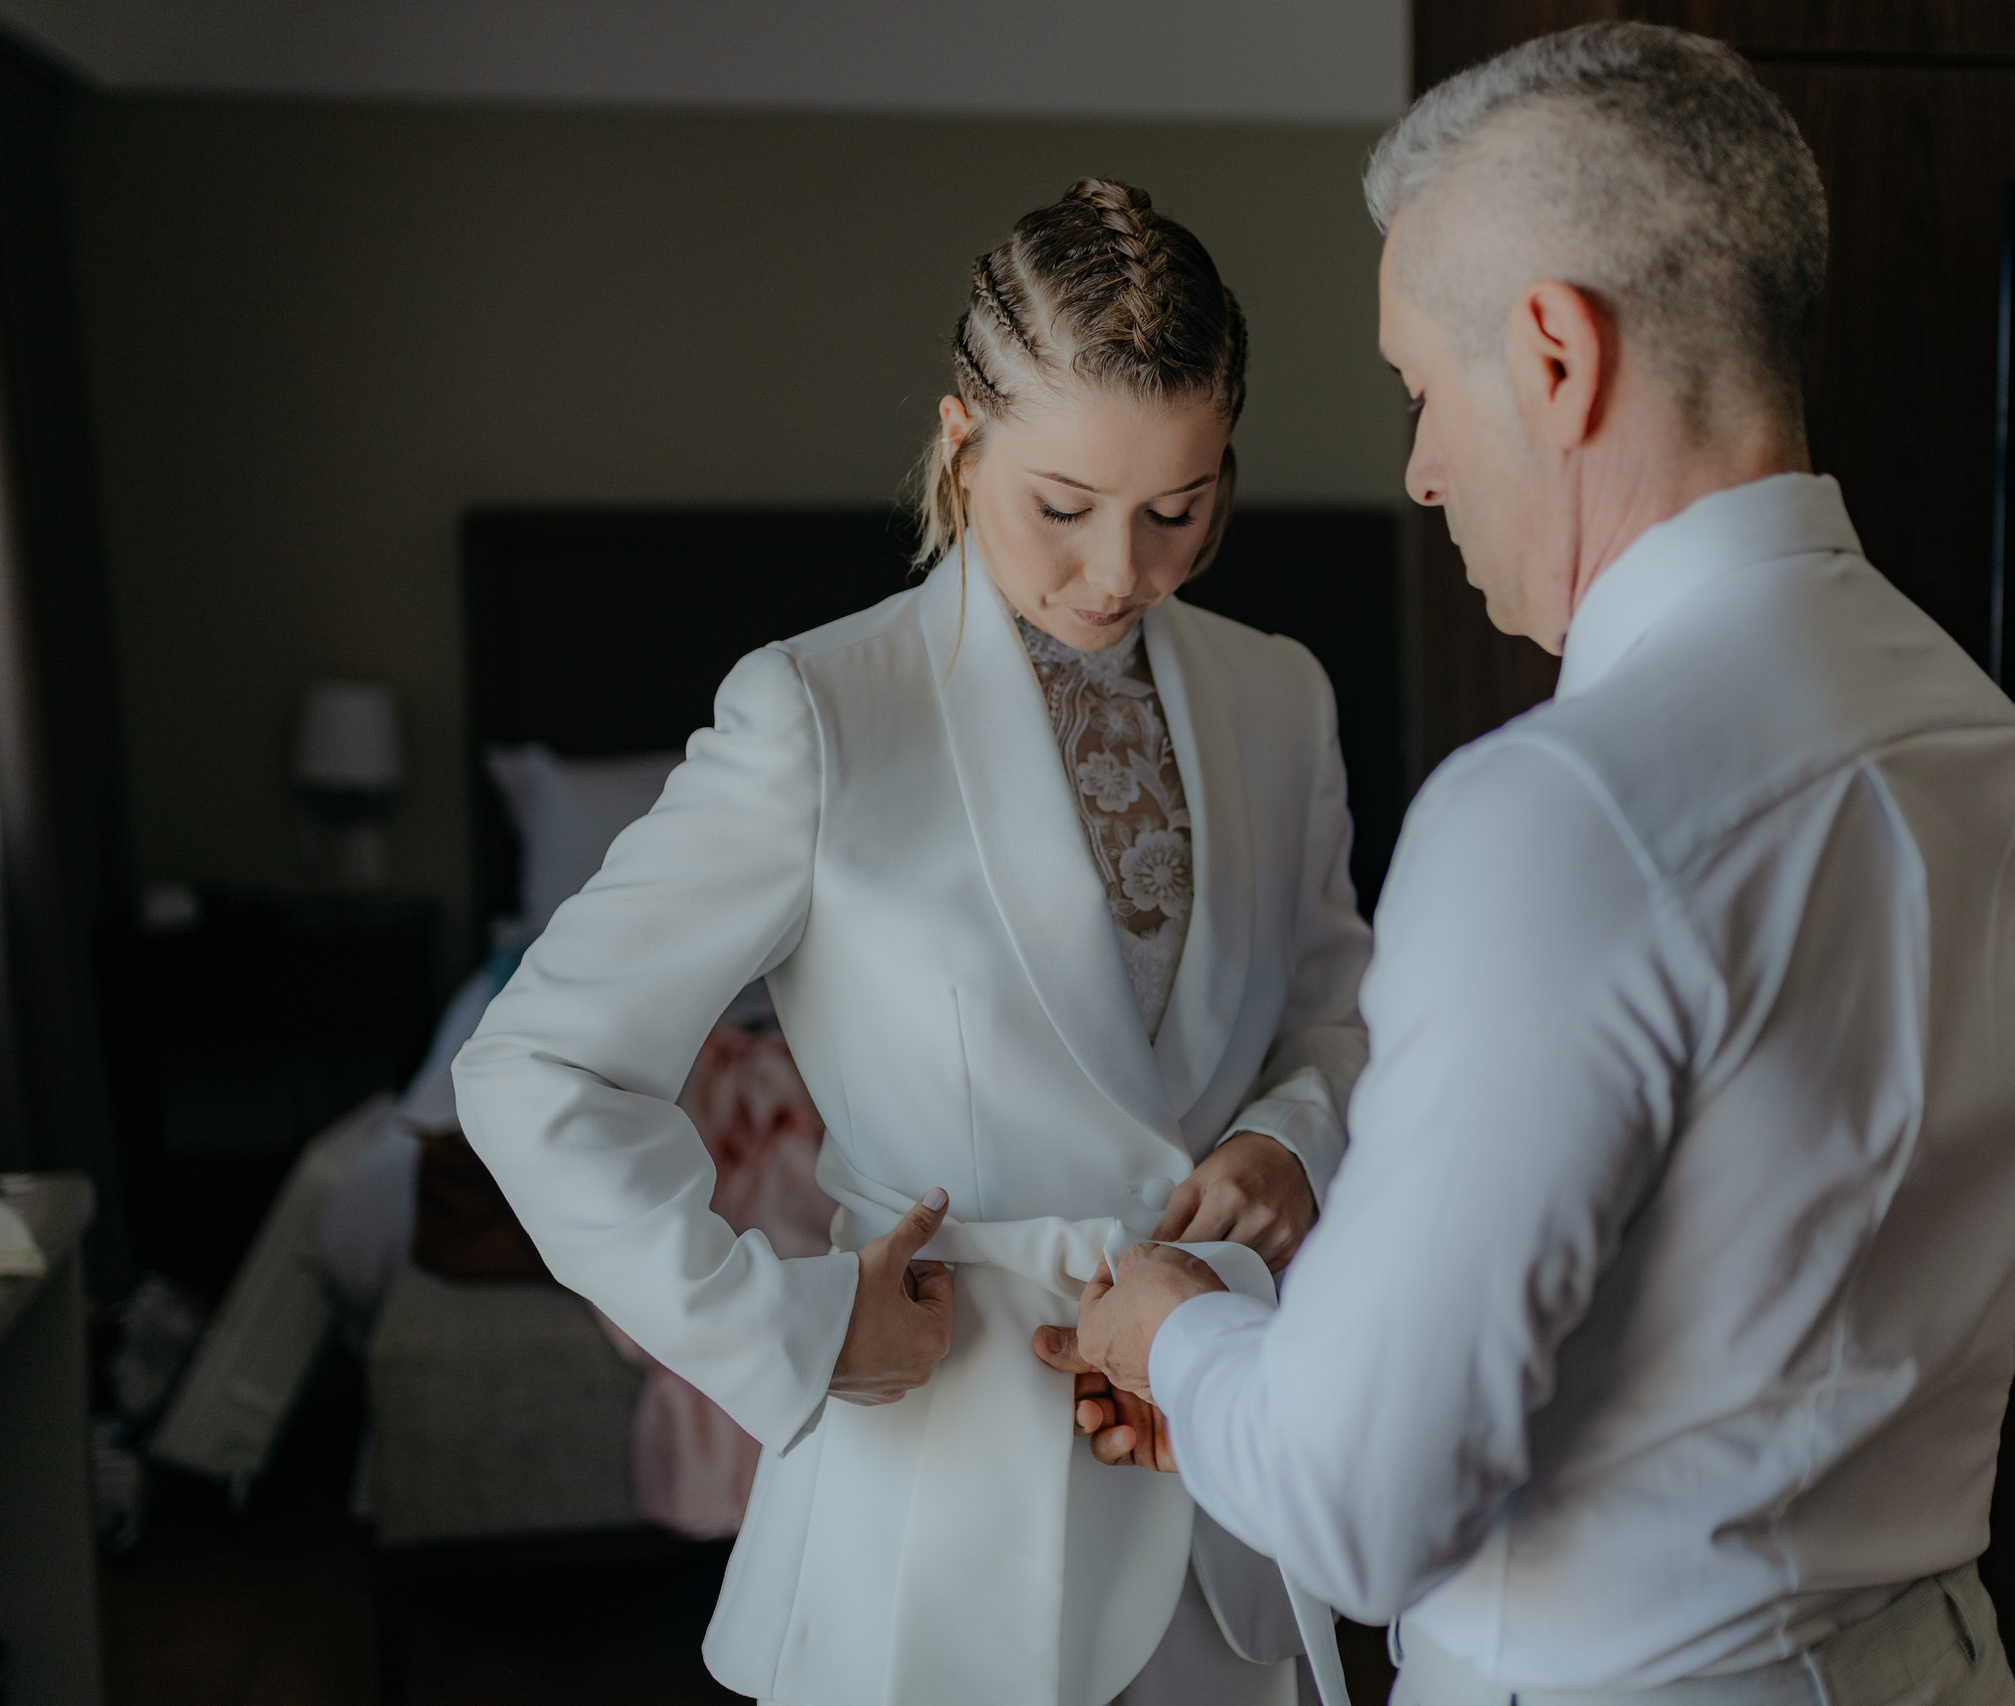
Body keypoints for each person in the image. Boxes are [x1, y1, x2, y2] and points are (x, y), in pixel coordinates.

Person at [1058, 26, 2015, 1706]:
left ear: (1554, 355)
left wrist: (1171, 1328)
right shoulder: (2004, 760)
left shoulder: (1559, 814)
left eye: (1423, 385)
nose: (1417, 467)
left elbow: (1360, 1503)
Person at [452, 178, 1369, 1706]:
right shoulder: (818, 712)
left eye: (1178, 510)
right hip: (939, 1534)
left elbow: (1340, 1007)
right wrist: (790, 1325)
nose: (1117, 573)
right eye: (1062, 506)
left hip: (1222, 1500)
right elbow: (534, 1067)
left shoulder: (1284, 696)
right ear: (962, 443)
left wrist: (1292, 1142)